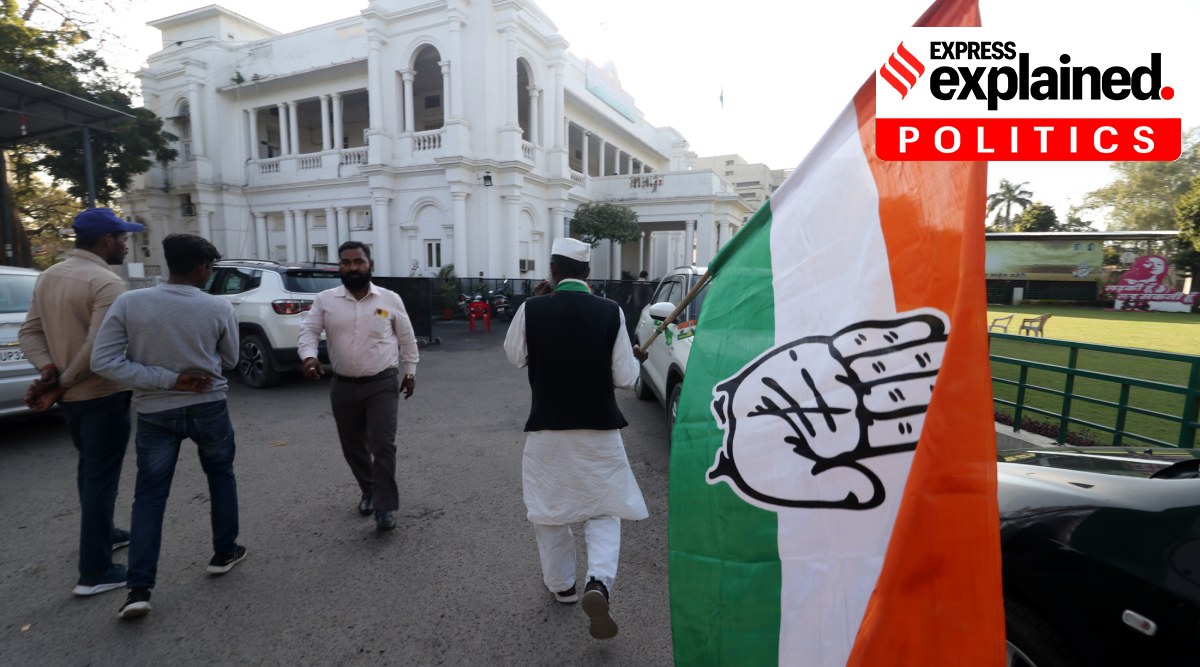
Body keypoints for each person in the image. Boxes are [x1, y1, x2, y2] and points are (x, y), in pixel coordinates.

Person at [91, 233, 244, 620]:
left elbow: (104, 362)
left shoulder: (130, 302)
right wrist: (183, 375)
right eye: (209, 268)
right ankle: (224, 551)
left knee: (150, 496)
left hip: (154, 412)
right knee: (221, 476)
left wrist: (164, 379)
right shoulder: (217, 307)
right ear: (202, 268)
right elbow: (229, 360)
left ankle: (139, 588)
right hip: (208, 406)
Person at [503, 237, 648, 640]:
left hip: (547, 431)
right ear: (587, 273)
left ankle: (563, 587)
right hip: (599, 434)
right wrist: (635, 359)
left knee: (549, 512)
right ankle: (598, 582)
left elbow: (515, 356)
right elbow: (625, 377)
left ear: (552, 271)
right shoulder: (610, 311)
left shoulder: (531, 309)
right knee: (604, 510)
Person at [18, 208, 143, 597]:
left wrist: (49, 371)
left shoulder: (50, 275)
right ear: (107, 240)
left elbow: (30, 333)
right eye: (123, 237)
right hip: (101, 395)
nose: (126, 244)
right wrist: (60, 382)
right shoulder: (106, 283)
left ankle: (103, 532)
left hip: (72, 400)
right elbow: (98, 351)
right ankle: (95, 570)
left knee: (90, 469)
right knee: (100, 478)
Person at [298, 241, 419, 532]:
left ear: (370, 265)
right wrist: (309, 357)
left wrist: (410, 372)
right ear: (340, 266)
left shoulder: (389, 299)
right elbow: (309, 331)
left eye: (358, 261)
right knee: (352, 447)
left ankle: (384, 506)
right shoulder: (326, 299)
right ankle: (368, 489)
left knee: (382, 444)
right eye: (346, 262)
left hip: (382, 383)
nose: (352, 267)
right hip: (343, 386)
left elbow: (406, 338)